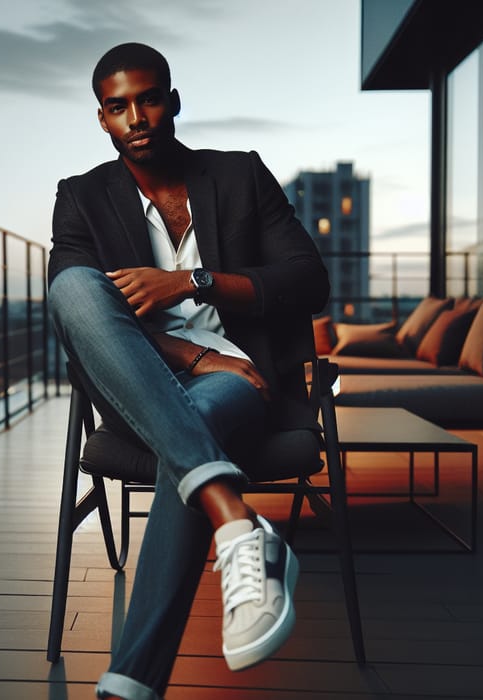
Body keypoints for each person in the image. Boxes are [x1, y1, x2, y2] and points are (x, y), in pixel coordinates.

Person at [48, 42, 330, 700]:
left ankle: (128, 687)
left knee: (197, 420)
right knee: (71, 289)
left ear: (171, 102)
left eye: (148, 99)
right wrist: (192, 354)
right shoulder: (82, 197)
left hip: (239, 380)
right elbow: (79, 311)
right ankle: (234, 519)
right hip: (140, 380)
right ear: (103, 119)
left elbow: (307, 281)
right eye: (118, 108)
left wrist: (191, 282)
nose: (136, 118)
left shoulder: (238, 176)